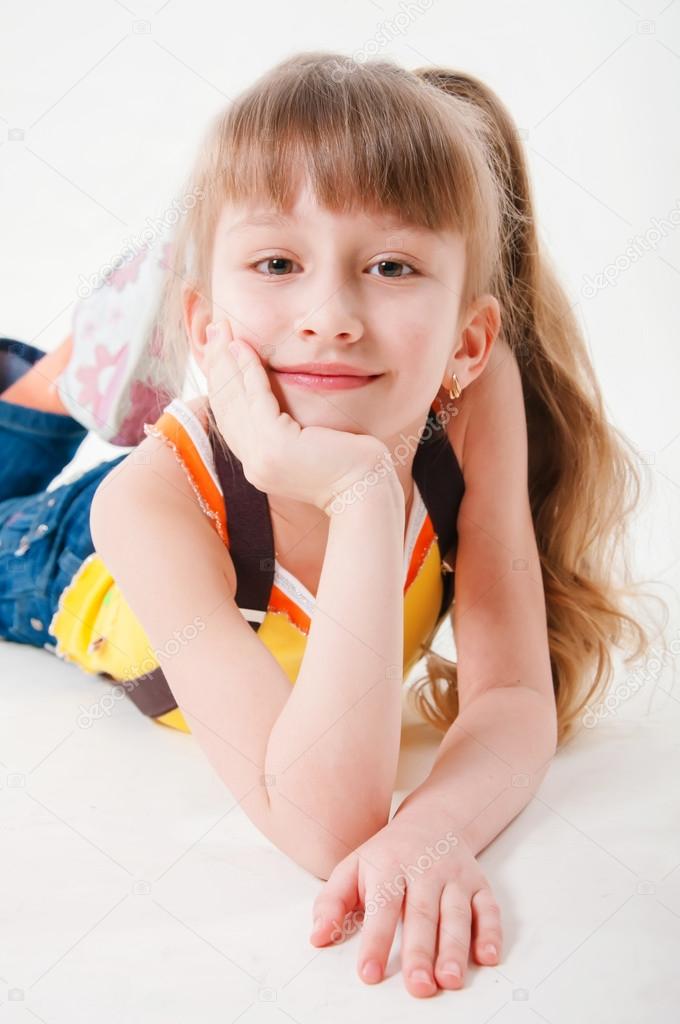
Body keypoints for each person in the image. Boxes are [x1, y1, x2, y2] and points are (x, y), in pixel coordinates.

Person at [0, 52, 666, 999]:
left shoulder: (473, 403)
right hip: (64, 558)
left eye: (391, 266)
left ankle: (67, 376)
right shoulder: (141, 506)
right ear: (206, 323)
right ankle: (52, 384)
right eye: (277, 263)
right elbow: (326, 825)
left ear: (469, 343)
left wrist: (431, 824)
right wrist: (361, 499)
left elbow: (513, 694)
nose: (330, 317)